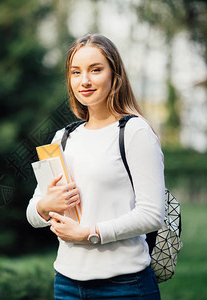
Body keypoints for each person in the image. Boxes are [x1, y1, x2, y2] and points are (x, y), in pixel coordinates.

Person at [26, 33, 165, 300]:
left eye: (95, 70)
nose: (85, 81)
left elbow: (151, 215)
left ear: (115, 75)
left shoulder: (134, 131)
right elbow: (33, 213)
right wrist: (45, 206)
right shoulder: (63, 138)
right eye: (76, 72)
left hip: (124, 286)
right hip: (67, 285)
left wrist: (89, 234)